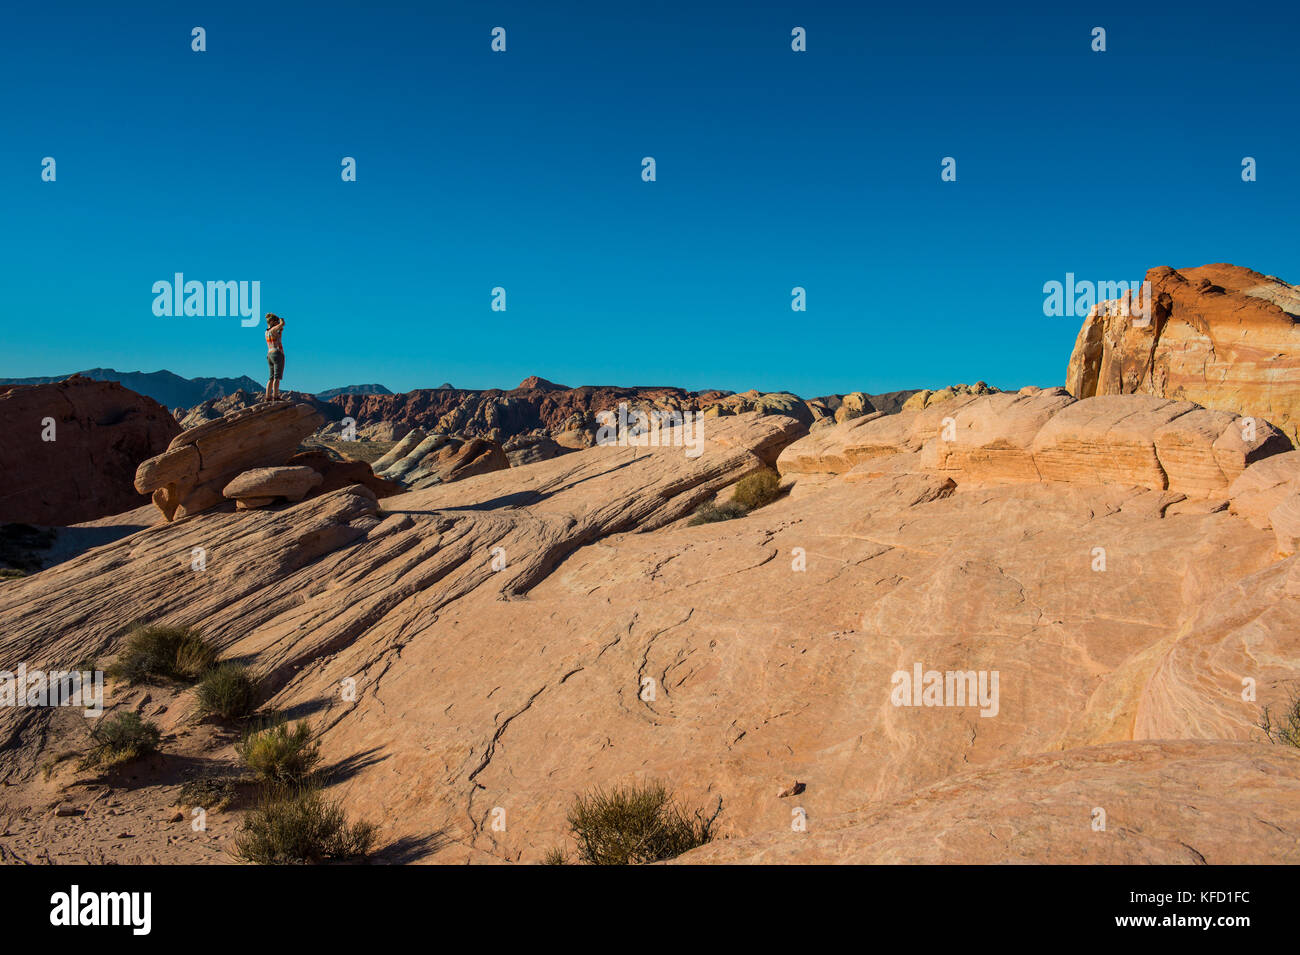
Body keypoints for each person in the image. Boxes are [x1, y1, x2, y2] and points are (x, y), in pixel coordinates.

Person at [264, 313, 286, 402]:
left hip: (269, 354)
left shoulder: (266, 332)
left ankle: (267, 397)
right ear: (272, 322)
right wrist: (281, 321)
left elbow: (278, 335)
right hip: (277, 353)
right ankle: (275, 396)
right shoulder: (273, 330)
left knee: (271, 377)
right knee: (277, 377)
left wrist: (280, 330)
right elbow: (282, 324)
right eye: (276, 322)